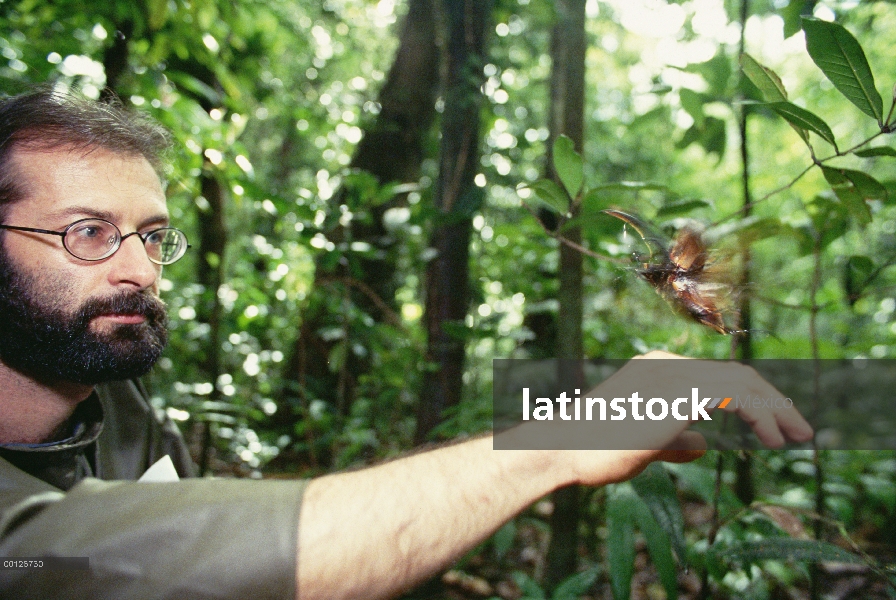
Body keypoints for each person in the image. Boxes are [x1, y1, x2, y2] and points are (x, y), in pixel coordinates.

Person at [0, 87, 813, 600]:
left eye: (153, 236)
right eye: (87, 233)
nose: (141, 268)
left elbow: (205, 528)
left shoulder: (118, 402)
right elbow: (117, 565)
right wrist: (558, 443)